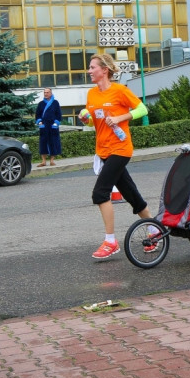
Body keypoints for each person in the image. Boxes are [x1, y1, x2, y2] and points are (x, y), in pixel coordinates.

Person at [79, 53, 155, 259]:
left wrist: (121, 117)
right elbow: (96, 122)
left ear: (104, 70)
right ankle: (155, 231)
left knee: (100, 193)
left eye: (92, 67)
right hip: (103, 150)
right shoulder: (91, 95)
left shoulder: (120, 91)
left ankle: (110, 241)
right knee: (131, 194)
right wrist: (85, 119)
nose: (89, 71)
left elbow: (142, 109)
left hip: (120, 150)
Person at [35, 87, 62, 166]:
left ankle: (52, 160)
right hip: (44, 126)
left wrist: (56, 123)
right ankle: (43, 161)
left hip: (52, 126)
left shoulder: (55, 103)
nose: (46, 94)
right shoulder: (41, 104)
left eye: (47, 92)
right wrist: (40, 122)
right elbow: (37, 115)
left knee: (53, 142)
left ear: (51, 93)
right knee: (43, 142)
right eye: (44, 92)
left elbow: (58, 114)